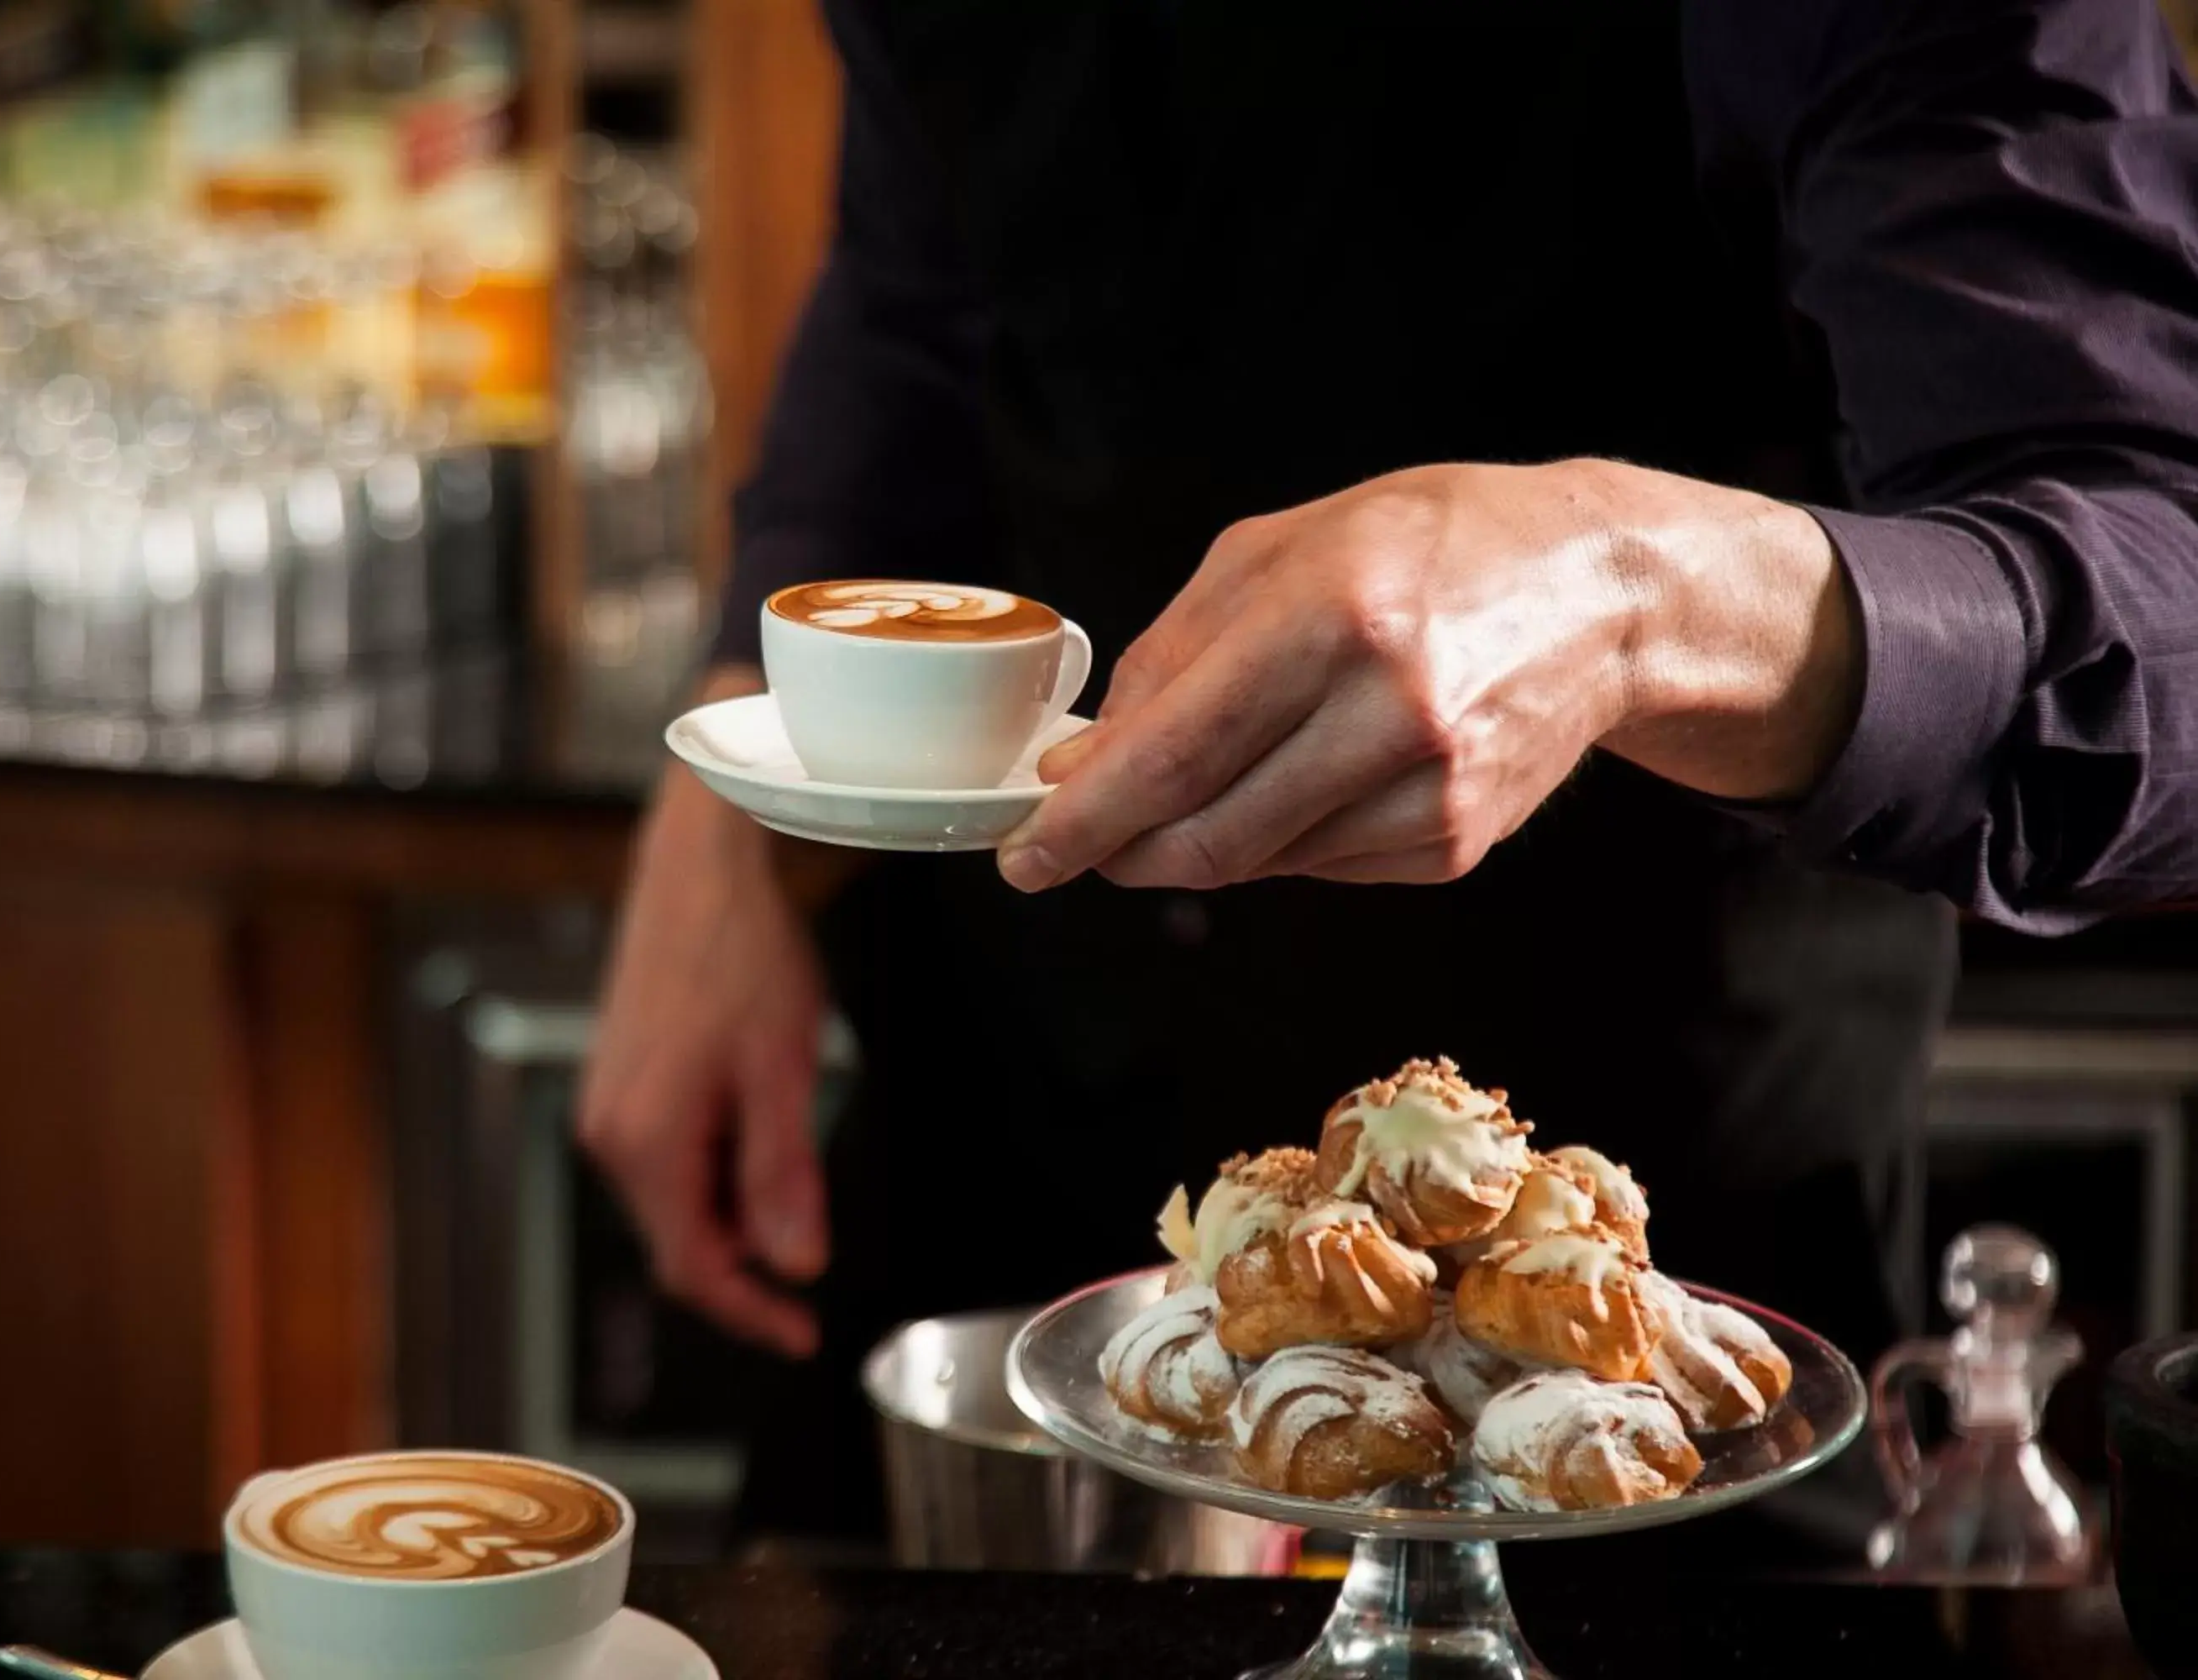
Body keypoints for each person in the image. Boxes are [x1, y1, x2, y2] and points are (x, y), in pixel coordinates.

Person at [582, 0, 2198, 1549]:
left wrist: (1625, 589)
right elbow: (924, 291)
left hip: (1628, 1301)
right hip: (1011, 1137)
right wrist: (729, 799)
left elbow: (2160, 601)